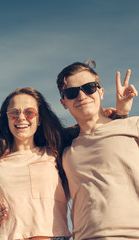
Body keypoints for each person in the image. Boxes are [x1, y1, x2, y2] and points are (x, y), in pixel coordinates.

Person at [57, 60, 139, 239]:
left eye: (89, 88)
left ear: (101, 92)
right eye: (71, 92)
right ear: (64, 102)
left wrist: (121, 117)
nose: (81, 95)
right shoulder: (65, 151)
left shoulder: (133, 126)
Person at [0, 88, 71, 240]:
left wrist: (116, 116)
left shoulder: (55, 152)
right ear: (7, 118)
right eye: (14, 113)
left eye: (29, 112)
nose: (21, 117)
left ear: (39, 120)